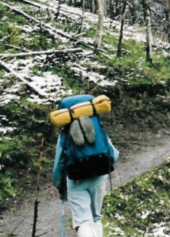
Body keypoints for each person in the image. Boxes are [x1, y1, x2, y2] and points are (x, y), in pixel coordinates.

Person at [52, 95, 119, 237]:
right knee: (96, 217)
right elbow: (113, 155)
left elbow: (59, 166)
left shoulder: (64, 136)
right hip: (100, 176)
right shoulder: (98, 130)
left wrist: (59, 185)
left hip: (77, 179)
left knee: (83, 221)